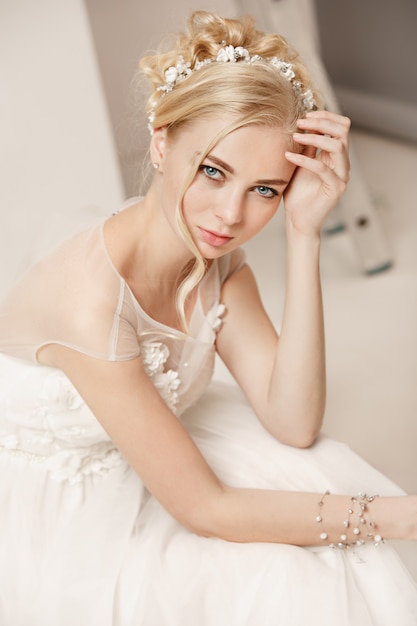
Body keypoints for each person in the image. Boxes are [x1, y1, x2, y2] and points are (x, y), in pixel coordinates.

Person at [0, 10, 416, 626]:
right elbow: (207, 508)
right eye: (213, 171)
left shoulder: (213, 257)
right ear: (161, 141)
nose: (229, 214)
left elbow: (293, 420)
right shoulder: (91, 303)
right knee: (285, 575)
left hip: (154, 453)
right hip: (55, 504)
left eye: (266, 189)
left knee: (320, 484)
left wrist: (305, 235)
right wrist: (399, 515)